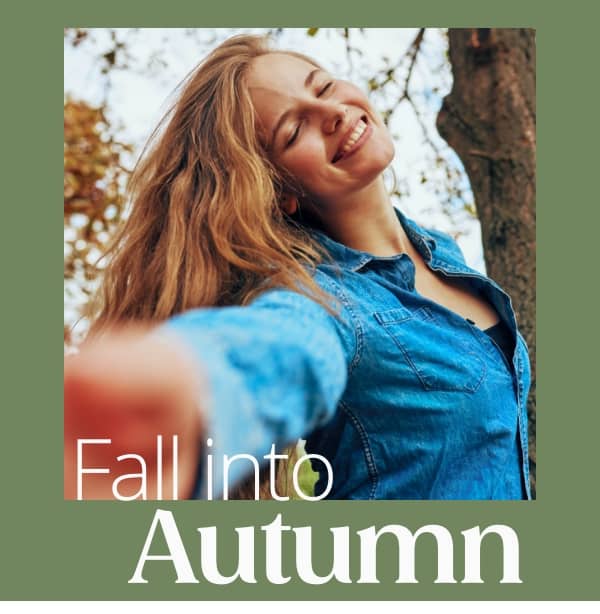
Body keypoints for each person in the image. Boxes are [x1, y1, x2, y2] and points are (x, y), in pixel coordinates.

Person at [64, 34, 532, 501]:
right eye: (293, 131)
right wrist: (179, 392)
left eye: (323, 88)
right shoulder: (323, 300)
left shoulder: (442, 253)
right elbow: (284, 349)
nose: (330, 113)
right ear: (279, 191)